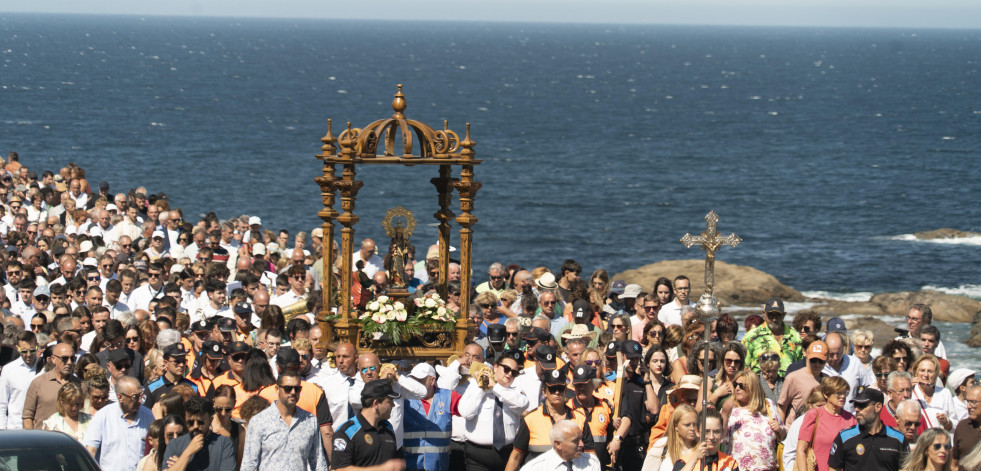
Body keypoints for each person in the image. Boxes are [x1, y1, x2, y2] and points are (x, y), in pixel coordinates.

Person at [241, 370, 328, 471]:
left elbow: (318, 462)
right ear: (277, 389)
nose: (293, 392)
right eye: (287, 388)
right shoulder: (259, 421)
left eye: (297, 388)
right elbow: (249, 464)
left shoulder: (310, 420)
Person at [458, 350, 528, 471]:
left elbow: (523, 404)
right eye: (506, 369)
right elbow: (465, 412)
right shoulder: (475, 385)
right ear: (495, 367)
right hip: (478, 454)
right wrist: (483, 387)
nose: (509, 374)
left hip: (507, 453)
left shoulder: (516, 390)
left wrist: (495, 387)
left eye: (514, 372)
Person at [83, 375, 156, 470]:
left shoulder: (148, 416)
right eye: (135, 397)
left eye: (141, 395)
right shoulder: (103, 416)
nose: (139, 400)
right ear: (120, 397)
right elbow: (91, 451)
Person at [331, 378, 403, 471]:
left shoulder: (388, 428)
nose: (393, 405)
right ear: (376, 403)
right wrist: (382, 469)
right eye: (390, 401)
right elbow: (340, 469)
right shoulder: (347, 431)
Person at [828, 387, 906, 471]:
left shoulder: (898, 439)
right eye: (855, 405)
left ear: (878, 407)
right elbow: (833, 468)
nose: (857, 409)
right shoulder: (844, 437)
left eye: (862, 405)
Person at [723, 369, 785, 470]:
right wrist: (725, 414)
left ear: (753, 387)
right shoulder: (730, 408)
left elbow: (784, 435)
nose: (737, 388)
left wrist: (780, 429)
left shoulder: (768, 405)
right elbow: (720, 438)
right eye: (735, 385)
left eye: (742, 385)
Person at [794, 376, 857, 471]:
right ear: (826, 394)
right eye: (838, 393)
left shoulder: (851, 419)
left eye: (845, 392)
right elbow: (801, 450)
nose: (843, 396)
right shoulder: (814, 415)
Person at [162, 396, 237, 471]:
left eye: (200, 422)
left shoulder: (223, 444)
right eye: (190, 422)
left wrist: (181, 465)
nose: (195, 426)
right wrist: (188, 452)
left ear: (210, 420)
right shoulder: (175, 444)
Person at [23, 342, 81, 428]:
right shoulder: (38, 383)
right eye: (64, 359)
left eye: (72, 359)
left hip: (71, 439)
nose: (69, 362)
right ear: (53, 359)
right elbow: (27, 416)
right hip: (44, 439)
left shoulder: (79, 384)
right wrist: (32, 439)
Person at [742, 297, 803, 375]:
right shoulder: (751, 337)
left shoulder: (795, 336)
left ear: (784, 315)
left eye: (778, 315)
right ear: (764, 314)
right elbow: (744, 367)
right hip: (760, 384)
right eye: (771, 315)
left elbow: (800, 366)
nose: (774, 319)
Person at [519, 419, 601, 471]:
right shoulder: (535, 468)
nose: (582, 444)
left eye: (581, 439)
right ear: (558, 444)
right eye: (575, 441)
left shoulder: (591, 462)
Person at [823, 331, 874, 413]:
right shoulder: (819, 366)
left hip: (852, 417)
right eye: (831, 354)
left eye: (838, 353)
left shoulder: (854, 363)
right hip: (828, 416)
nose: (835, 358)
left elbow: (867, 387)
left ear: (843, 348)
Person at [779, 340, 827, 424]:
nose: (817, 364)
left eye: (821, 361)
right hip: (795, 427)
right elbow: (782, 406)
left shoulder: (827, 380)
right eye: (813, 360)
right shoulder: (793, 378)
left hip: (819, 427)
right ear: (807, 357)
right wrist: (781, 430)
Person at [0, 331, 40, 430]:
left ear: (37, 346)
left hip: (39, 428)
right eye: (24, 351)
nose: (28, 355)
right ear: (17, 349)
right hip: (15, 428)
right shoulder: (8, 370)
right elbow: (2, 404)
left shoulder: (44, 367)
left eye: (32, 350)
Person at [641, 404, 699, 471]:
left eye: (695, 424)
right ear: (675, 426)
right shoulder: (662, 445)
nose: (692, 428)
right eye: (687, 425)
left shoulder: (701, 449)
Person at [782, 389, 826, 471]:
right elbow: (790, 453)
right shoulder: (799, 423)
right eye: (819, 406)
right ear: (809, 405)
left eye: (825, 406)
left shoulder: (830, 422)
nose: (822, 410)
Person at [911, 354, 956, 432]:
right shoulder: (909, 392)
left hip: (939, 441)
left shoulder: (945, 393)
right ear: (916, 372)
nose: (926, 375)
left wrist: (946, 421)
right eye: (922, 370)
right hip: (916, 441)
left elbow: (955, 424)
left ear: (936, 374)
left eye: (930, 371)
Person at [952, 385, 981, 470]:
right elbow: (954, 464)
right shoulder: (962, 427)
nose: (968, 406)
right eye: (967, 401)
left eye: (973, 402)